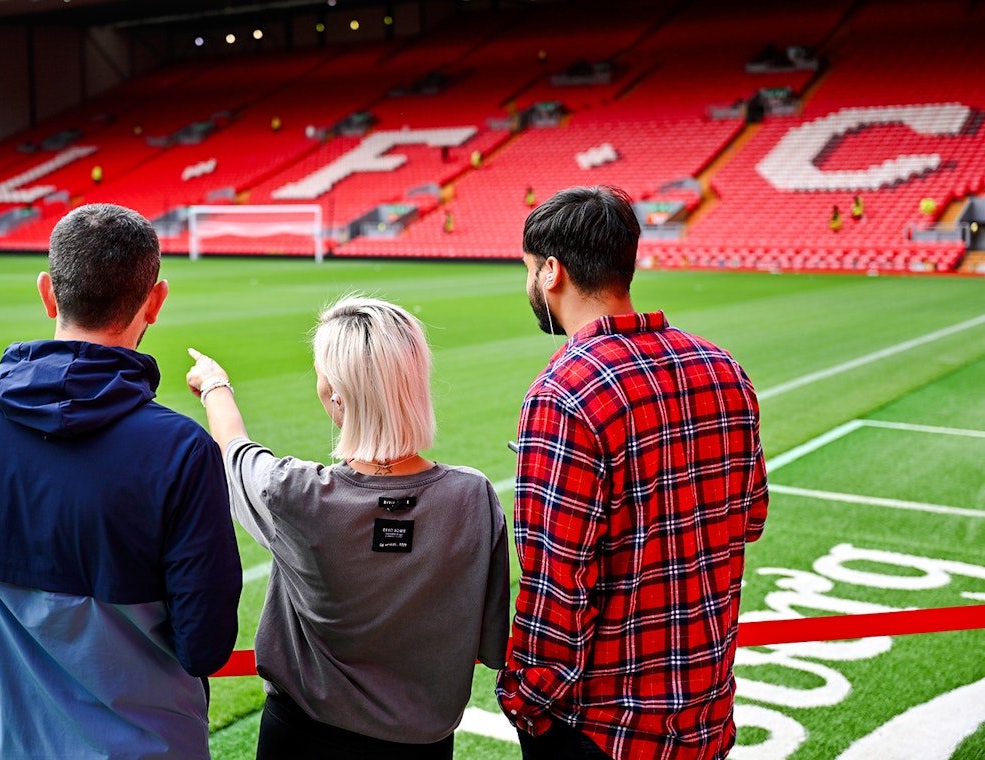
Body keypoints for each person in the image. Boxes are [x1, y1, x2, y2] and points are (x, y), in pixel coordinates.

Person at [0, 203, 243, 760]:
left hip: (3, 744)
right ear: (155, 301)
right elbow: (205, 645)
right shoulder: (180, 450)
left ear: (47, 292)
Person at [498, 186, 768, 760]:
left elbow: (556, 581)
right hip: (707, 715)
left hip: (604, 729)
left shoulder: (565, 394)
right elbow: (749, 520)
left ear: (551, 271)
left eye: (527, 270)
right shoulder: (724, 370)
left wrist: (525, 701)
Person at [186, 295, 510, 760]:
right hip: (424, 748)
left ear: (336, 392)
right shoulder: (473, 497)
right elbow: (492, 642)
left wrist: (216, 385)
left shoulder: (294, 493)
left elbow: (235, 452)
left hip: (301, 741)